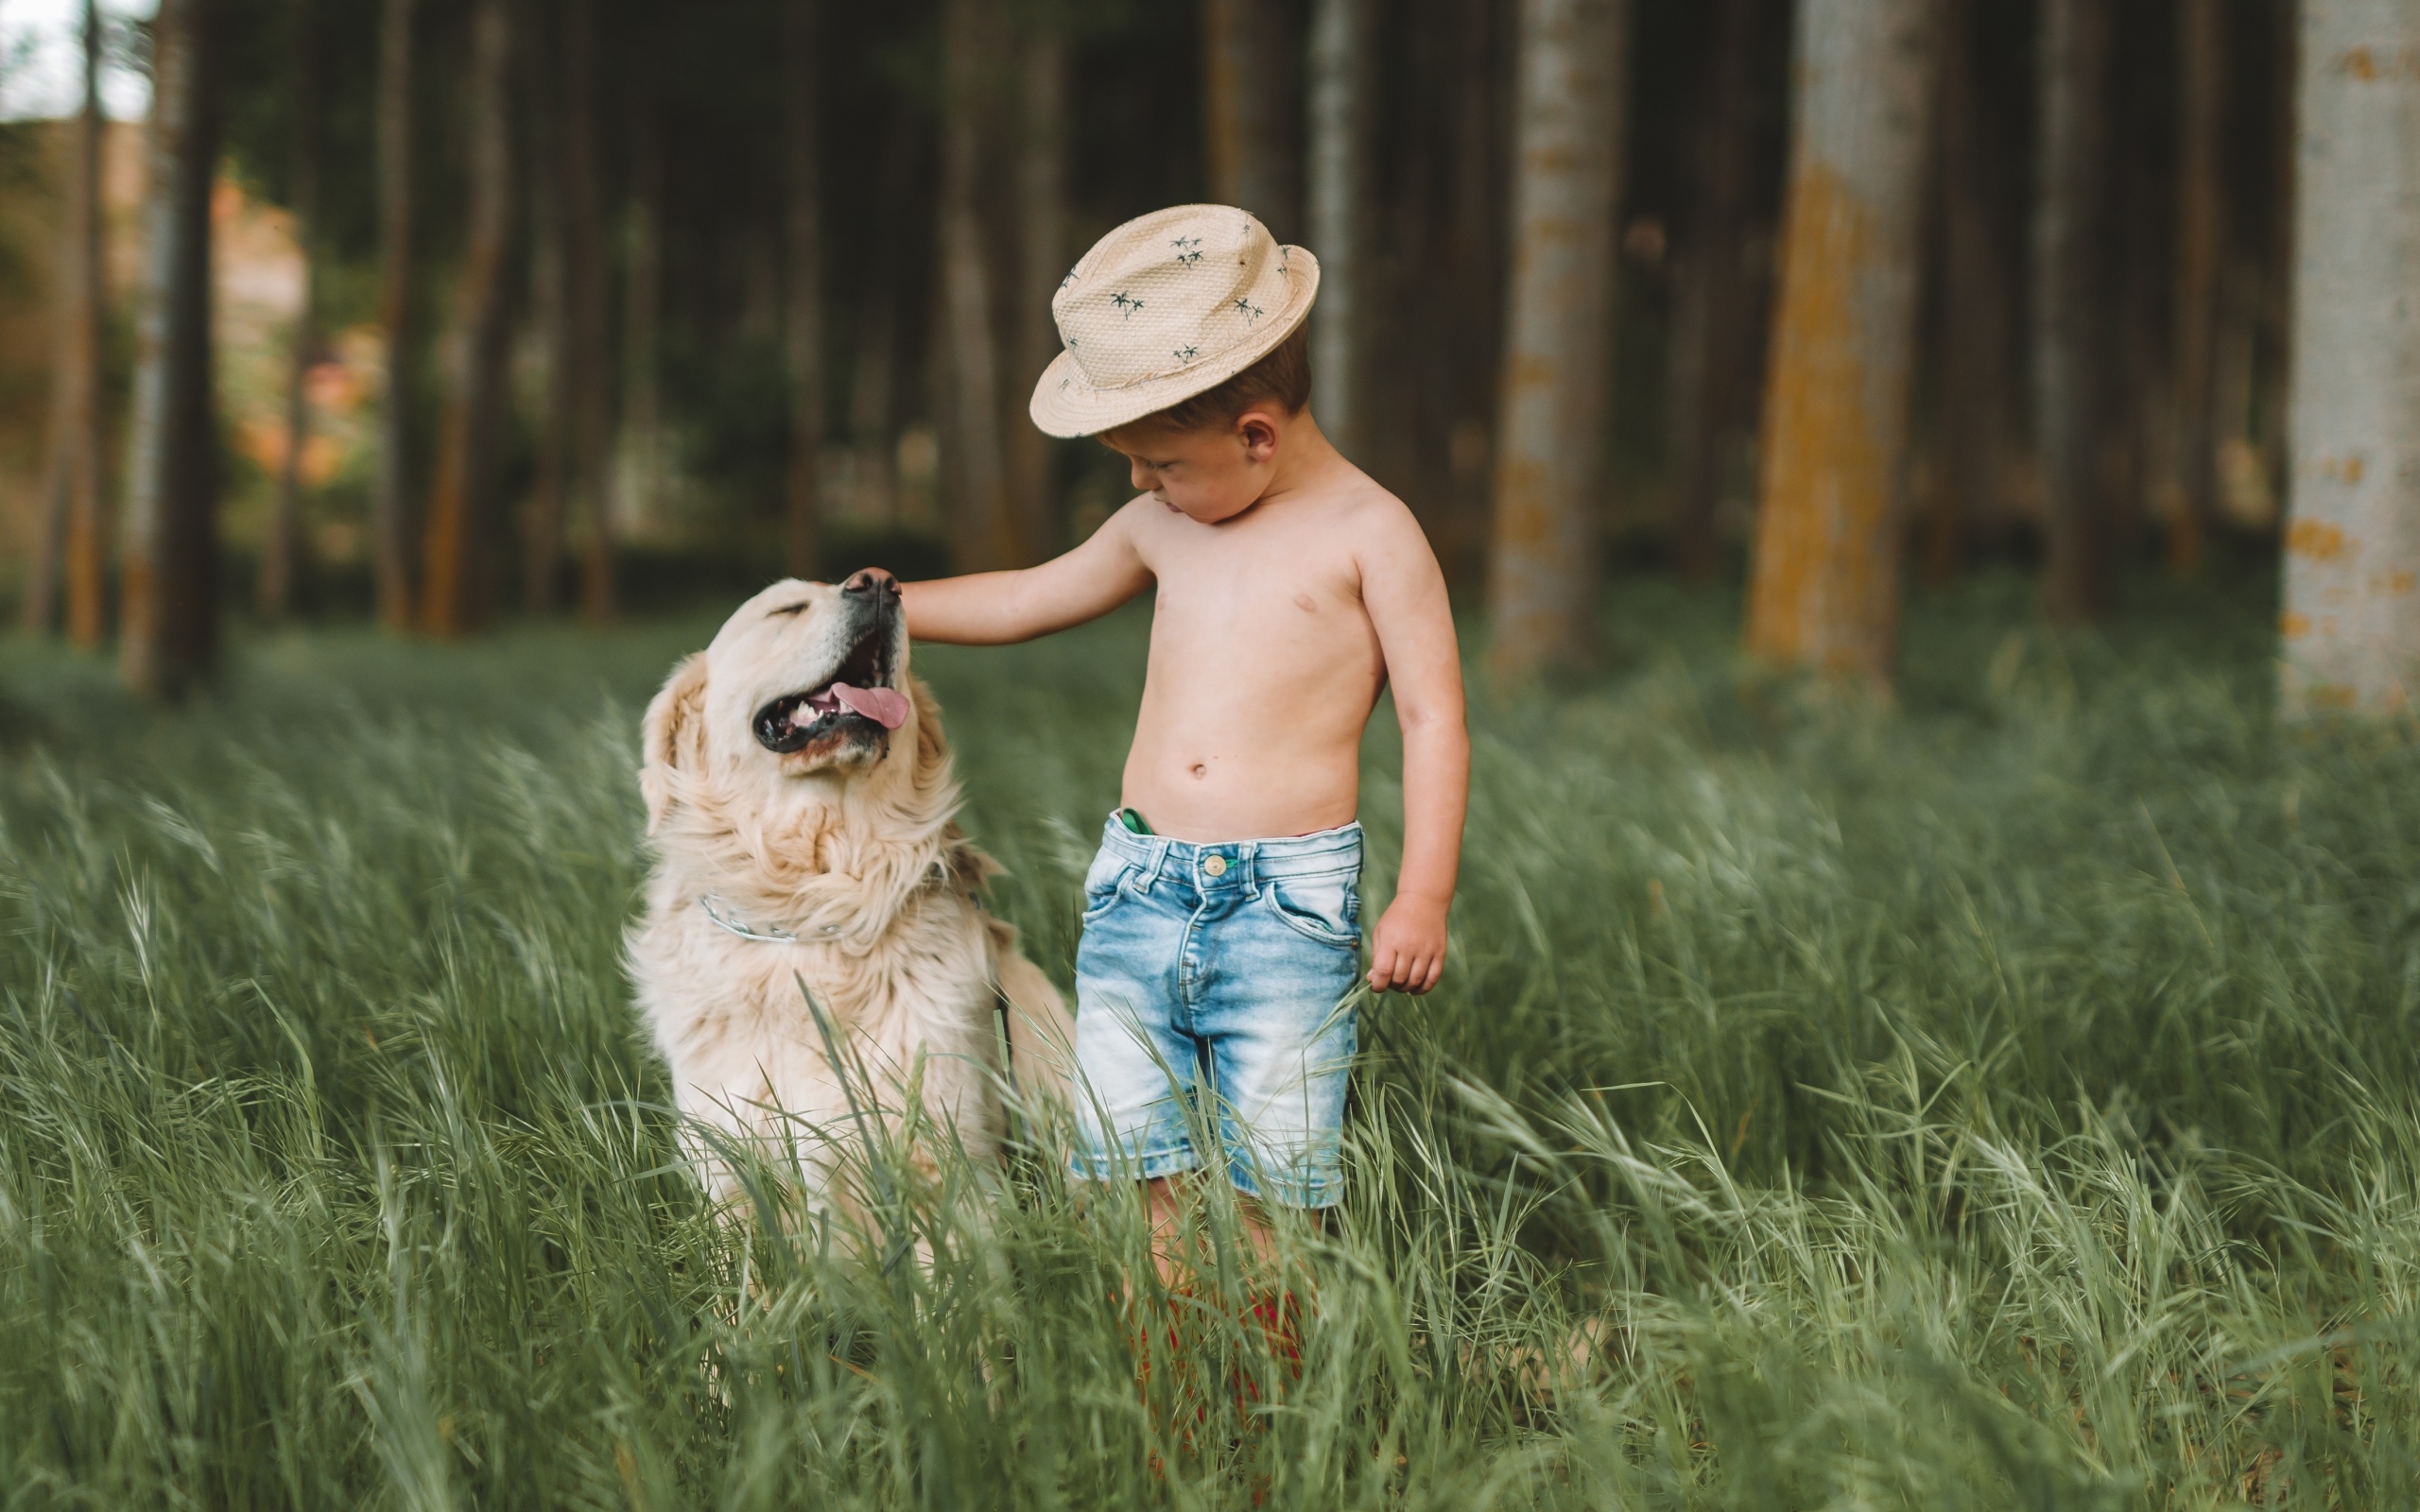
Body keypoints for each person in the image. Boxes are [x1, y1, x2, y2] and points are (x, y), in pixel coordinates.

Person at [902, 205, 1469, 1291]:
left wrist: (1423, 895)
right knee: (1132, 1162)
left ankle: (1263, 1402)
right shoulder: (1165, 523)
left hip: (1285, 910)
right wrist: (886, 608)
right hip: (1139, 892)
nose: (1138, 484)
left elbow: (1432, 718)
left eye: (1158, 461)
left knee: (1274, 1175)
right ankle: (1164, 1387)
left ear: (1255, 434)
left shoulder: (1372, 534)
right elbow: (1027, 597)